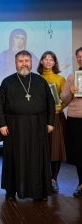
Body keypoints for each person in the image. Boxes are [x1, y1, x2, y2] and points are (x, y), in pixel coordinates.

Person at [0, 50, 55, 201]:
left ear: (31, 63)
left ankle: (38, 191)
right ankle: (11, 190)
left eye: (27, 61)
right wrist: (2, 124)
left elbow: (50, 102)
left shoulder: (40, 81)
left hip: (38, 124)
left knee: (37, 158)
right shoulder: (7, 82)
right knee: (14, 158)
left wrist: (50, 122)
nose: (24, 63)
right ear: (15, 63)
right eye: (21, 61)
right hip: (14, 125)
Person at [38, 51, 67, 193]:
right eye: (45, 59)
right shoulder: (36, 78)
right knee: (41, 149)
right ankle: (42, 178)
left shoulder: (60, 79)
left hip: (56, 117)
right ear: (41, 61)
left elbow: (66, 99)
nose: (48, 61)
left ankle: (53, 179)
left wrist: (58, 108)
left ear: (55, 63)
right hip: (39, 118)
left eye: (51, 59)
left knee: (56, 150)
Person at [60, 47, 82, 197]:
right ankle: (81, 184)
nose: (81, 58)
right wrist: (71, 92)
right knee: (79, 154)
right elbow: (64, 99)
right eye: (79, 56)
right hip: (75, 120)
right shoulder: (71, 77)